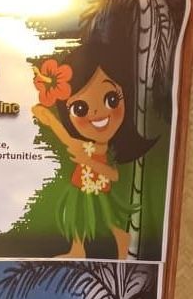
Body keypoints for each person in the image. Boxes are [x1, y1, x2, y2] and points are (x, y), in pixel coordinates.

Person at [31, 39, 154, 259]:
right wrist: (49, 119)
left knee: (104, 220)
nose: (97, 112)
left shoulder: (98, 148)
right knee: (77, 217)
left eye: (111, 99)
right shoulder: (85, 145)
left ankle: (119, 240)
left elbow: (113, 174)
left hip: (96, 189)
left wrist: (86, 161)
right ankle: (78, 249)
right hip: (80, 187)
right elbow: (67, 138)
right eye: (80, 108)